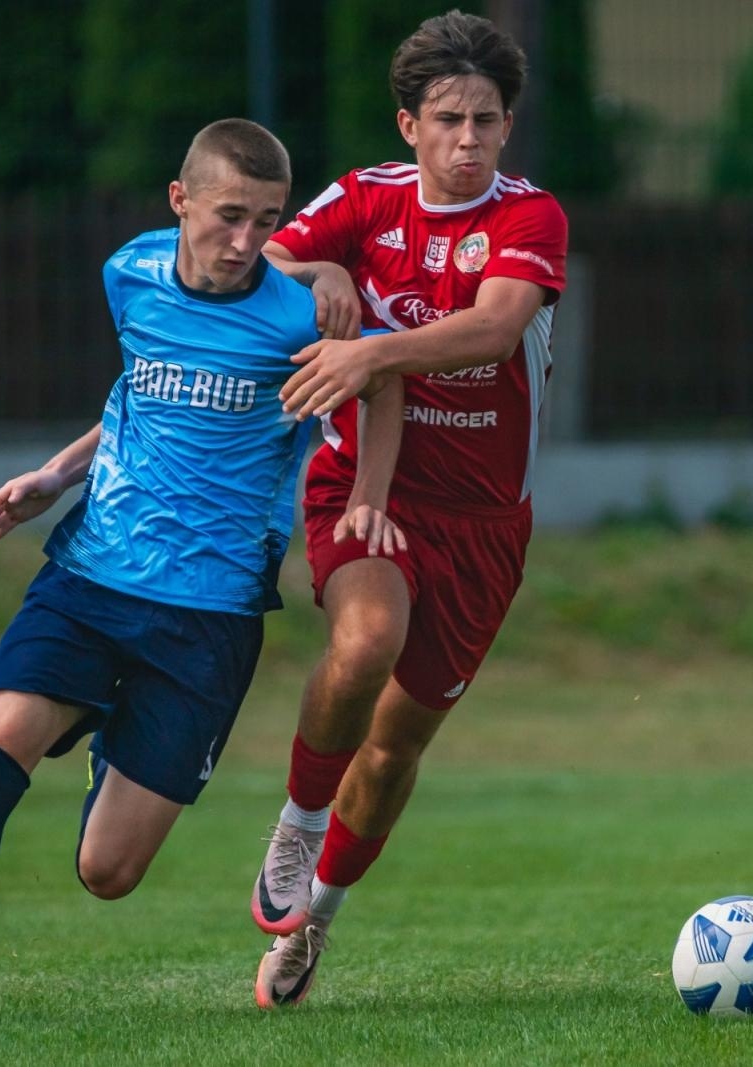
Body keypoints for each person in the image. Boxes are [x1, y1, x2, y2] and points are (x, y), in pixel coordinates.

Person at [0, 118, 406, 1029]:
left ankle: (104, 726)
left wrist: (369, 490)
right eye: (229, 216)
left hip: (207, 620)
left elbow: (383, 380)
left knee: (108, 874)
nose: (247, 242)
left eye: (268, 220)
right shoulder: (128, 273)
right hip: (91, 576)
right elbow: (137, 390)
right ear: (180, 202)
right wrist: (57, 473)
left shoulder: (299, 315)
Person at [248, 9, 568, 1009]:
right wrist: (322, 268)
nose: (468, 139)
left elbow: (491, 328)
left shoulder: (529, 217)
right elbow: (249, 267)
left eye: (485, 119)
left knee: (394, 747)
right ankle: (297, 824)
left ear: (507, 126)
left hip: (483, 525)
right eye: (448, 119)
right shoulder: (362, 201)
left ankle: (315, 922)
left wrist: (373, 349)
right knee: (366, 640)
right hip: (362, 484)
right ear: (409, 126)